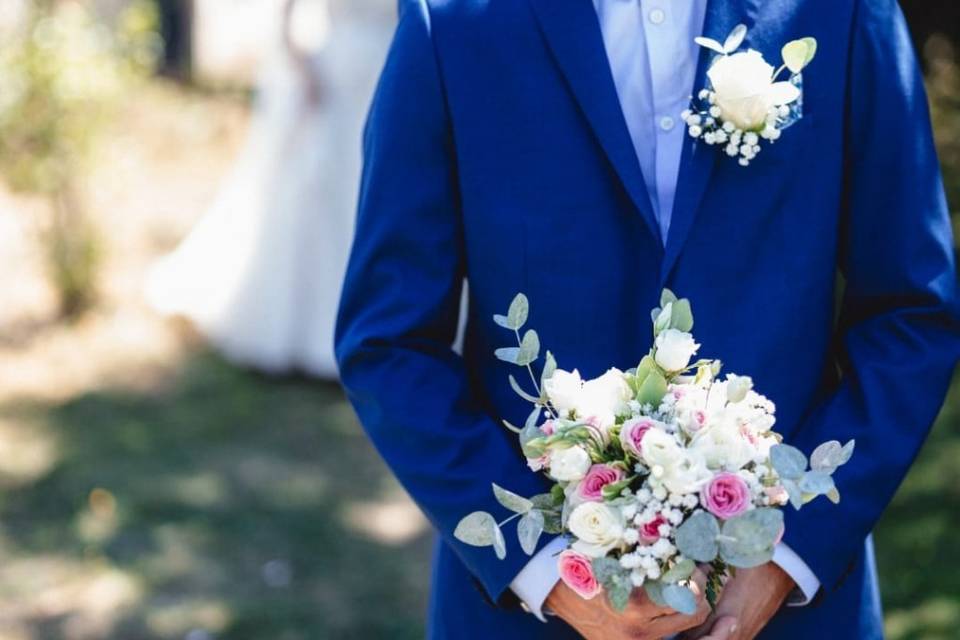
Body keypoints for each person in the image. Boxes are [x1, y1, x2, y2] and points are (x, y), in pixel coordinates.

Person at [335, 0, 959, 638]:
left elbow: (911, 311)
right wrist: (550, 572)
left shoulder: (844, 12)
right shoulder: (452, 20)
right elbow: (390, 343)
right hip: (533, 617)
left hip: (797, 611)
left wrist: (786, 553)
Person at [147, 0, 393, 378]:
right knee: (326, 203)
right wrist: (305, 73)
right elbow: (286, 17)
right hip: (334, 85)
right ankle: (316, 334)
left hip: (386, 76)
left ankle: (382, 328)